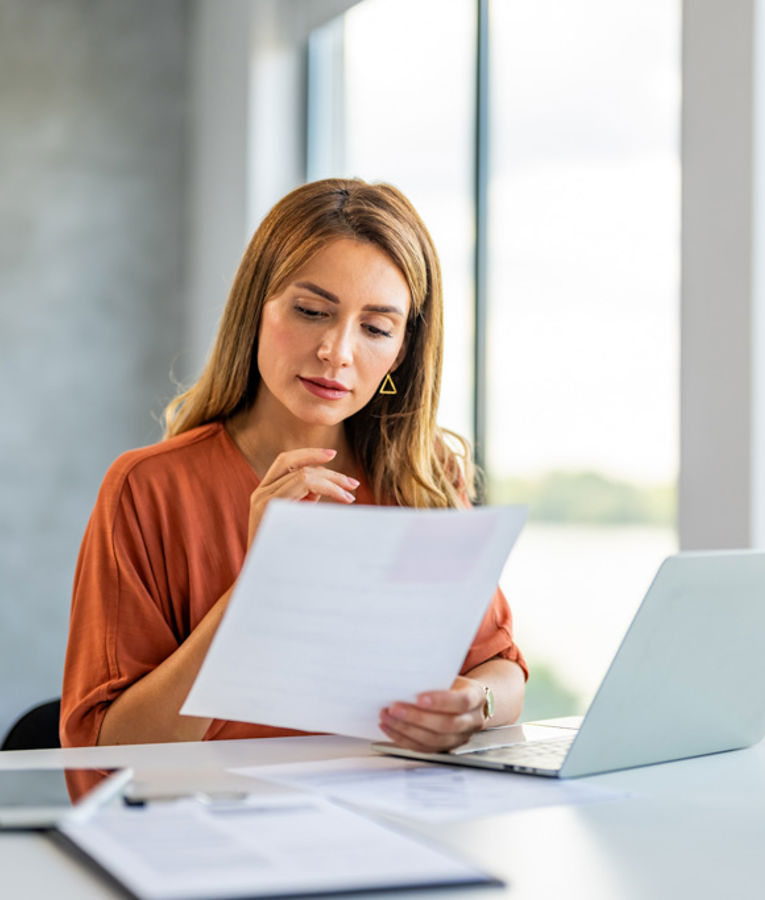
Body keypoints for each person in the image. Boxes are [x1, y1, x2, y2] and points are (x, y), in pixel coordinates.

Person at [60, 178, 527, 752]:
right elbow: (106, 751)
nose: (337, 351)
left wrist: (473, 706)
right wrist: (260, 587)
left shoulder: (423, 475)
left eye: (376, 328)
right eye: (311, 311)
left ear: (401, 352)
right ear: (256, 307)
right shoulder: (148, 489)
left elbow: (502, 672)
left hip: (386, 814)